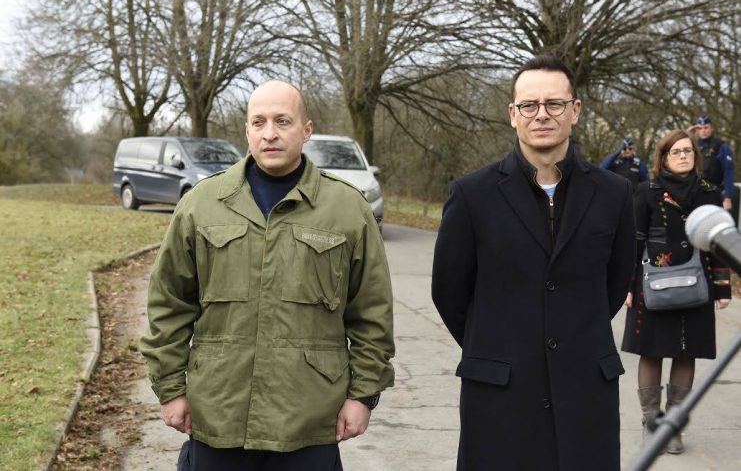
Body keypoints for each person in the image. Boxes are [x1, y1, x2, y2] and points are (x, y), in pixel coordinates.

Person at [140, 80, 395, 470]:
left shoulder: (347, 210)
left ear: (306, 131)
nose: (270, 133)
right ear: (247, 131)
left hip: (308, 418)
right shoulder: (201, 205)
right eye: (258, 122)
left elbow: (371, 312)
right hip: (218, 414)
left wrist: (362, 396)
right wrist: (170, 389)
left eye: (282, 121)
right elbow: (168, 304)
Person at [431, 55, 636, 471]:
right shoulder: (472, 195)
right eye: (529, 105)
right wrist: (497, 348)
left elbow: (615, 284)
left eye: (554, 104)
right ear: (513, 114)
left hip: (584, 394)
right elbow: (449, 292)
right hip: (499, 395)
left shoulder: (614, 194)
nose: (541, 114)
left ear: (574, 110)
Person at [621, 129, 731, 454]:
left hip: (698, 284)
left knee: (687, 352)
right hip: (652, 286)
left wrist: (723, 287)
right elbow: (633, 242)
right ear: (664, 158)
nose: (683, 156)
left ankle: (673, 425)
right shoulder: (646, 192)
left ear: (695, 156)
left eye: (688, 151)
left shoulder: (709, 193)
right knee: (652, 352)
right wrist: (626, 287)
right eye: (676, 152)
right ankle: (652, 423)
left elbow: (721, 242)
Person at [690, 114, 734, 210]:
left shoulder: (721, 146)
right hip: (695, 194)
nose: (703, 131)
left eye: (706, 127)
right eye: (700, 128)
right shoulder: (692, 146)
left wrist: (728, 197)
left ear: (712, 128)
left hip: (715, 194)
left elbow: (728, 171)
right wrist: (688, 134)